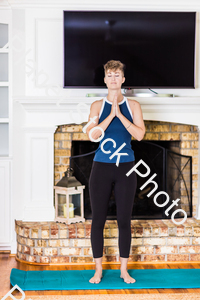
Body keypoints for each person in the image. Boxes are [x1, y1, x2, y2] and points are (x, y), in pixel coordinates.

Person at [86, 60, 145, 284]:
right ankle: (98, 269)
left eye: (117, 75)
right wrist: (110, 115)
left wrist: (121, 115)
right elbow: (91, 135)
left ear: (123, 79)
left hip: (126, 168)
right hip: (101, 166)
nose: (113, 79)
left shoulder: (134, 106)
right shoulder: (97, 106)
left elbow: (139, 135)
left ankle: (123, 270)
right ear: (104, 80)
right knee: (98, 220)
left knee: (123, 220)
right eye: (109, 75)